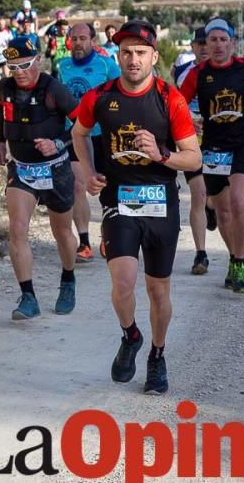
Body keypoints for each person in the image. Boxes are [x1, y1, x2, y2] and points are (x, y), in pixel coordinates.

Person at [71, 20, 201, 395]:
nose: (132, 59)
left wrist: (162, 153)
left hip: (161, 204)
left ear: (154, 57)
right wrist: (90, 171)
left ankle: (157, 357)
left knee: (158, 291)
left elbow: (193, 160)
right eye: (126, 52)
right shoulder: (99, 97)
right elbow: (78, 134)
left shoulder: (169, 99)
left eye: (140, 53)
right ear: (117, 55)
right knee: (123, 282)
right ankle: (131, 335)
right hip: (120, 202)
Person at [179, 18, 244, 293]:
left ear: (232, 43)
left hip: (243, 144)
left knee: (239, 203)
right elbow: (178, 104)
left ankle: (240, 263)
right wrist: (188, 122)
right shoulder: (197, 74)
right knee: (222, 212)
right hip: (213, 149)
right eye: (212, 40)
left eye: (222, 40)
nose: (217, 45)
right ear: (205, 44)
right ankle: (233, 257)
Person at [0, 36, 80, 320]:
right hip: (22, 169)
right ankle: (28, 296)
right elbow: (3, 112)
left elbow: (82, 124)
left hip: (56, 168)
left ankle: (68, 280)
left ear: (38, 61)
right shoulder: (5, 87)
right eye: (12, 67)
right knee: (17, 229)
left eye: (25, 65)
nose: (18, 72)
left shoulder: (54, 89)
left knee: (62, 232)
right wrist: (1, 141)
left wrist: (59, 143)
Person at [58, 23, 121, 262]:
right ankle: (84, 242)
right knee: (78, 185)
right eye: (74, 39)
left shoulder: (106, 65)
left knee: (106, 186)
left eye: (83, 38)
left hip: (102, 134)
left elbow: (122, 91)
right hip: (73, 134)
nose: (78, 43)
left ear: (92, 40)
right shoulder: (62, 66)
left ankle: (108, 235)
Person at [175, 27, 215, 275]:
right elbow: (175, 106)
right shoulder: (183, 73)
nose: (202, 48)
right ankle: (201, 254)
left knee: (214, 197)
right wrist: (188, 120)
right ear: (192, 46)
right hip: (192, 141)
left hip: (219, 141)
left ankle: (213, 206)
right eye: (198, 43)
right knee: (198, 194)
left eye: (206, 43)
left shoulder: (225, 73)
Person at [0, 16, 15, 91]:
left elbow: (12, 43)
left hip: (5, 55)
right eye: (0, 24)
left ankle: (7, 90)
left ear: (5, 24)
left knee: (6, 74)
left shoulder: (8, 31)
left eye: (3, 24)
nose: (1, 25)